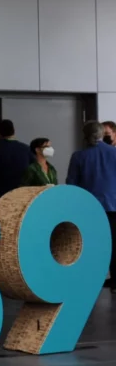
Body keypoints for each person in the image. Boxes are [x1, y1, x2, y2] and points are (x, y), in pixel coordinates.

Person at [67, 121, 116, 293]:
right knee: (114, 243)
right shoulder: (115, 153)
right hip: (113, 205)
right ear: (103, 134)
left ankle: (90, 278)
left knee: (89, 244)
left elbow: (71, 183)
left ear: (85, 135)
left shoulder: (79, 156)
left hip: (89, 208)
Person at [0, 119, 32, 204]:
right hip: (22, 194)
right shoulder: (26, 149)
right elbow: (34, 170)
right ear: (13, 131)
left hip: (0, 194)